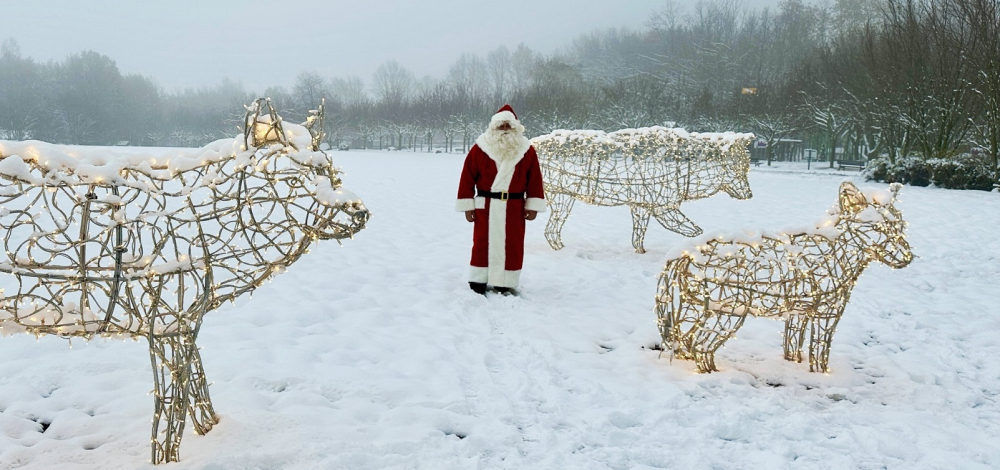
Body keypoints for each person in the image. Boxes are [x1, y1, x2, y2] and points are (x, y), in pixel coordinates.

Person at [455, 104, 546, 295]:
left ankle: (505, 280)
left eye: (508, 126)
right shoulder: (480, 148)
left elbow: (535, 179)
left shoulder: (526, 150)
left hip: (514, 206)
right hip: (485, 205)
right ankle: (479, 278)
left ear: (515, 127)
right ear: (494, 127)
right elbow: (467, 177)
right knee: (482, 242)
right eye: (501, 126)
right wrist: (467, 206)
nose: (504, 129)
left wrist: (533, 205)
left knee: (512, 243)